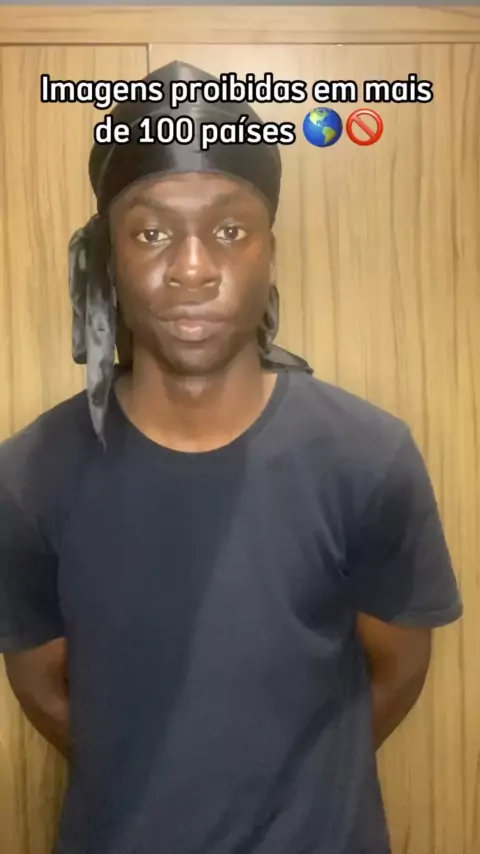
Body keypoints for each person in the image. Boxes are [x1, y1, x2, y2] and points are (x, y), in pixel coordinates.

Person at [0, 61, 462, 854]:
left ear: (268, 253)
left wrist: (294, 796)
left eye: (228, 231)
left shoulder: (369, 456)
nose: (191, 267)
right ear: (108, 258)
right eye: (151, 233)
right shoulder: (27, 476)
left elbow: (395, 675)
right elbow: (43, 688)